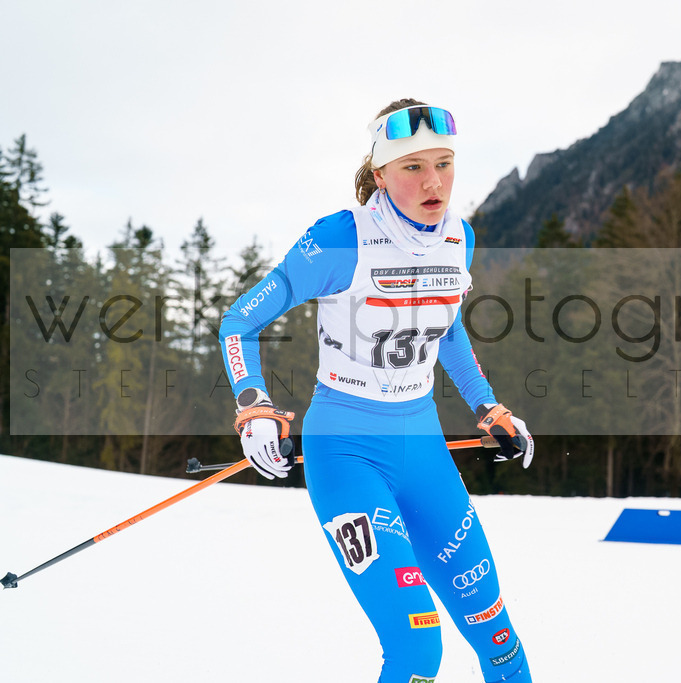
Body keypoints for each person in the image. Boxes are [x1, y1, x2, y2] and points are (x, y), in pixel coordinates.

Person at [219, 99, 534, 683]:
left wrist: (487, 406)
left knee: (500, 641)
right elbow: (239, 321)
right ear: (381, 173)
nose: (434, 181)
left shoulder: (459, 238)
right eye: (413, 167)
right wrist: (253, 405)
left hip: (423, 449)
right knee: (418, 648)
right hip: (347, 451)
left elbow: (451, 327)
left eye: (444, 162)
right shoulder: (343, 238)